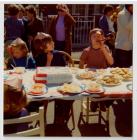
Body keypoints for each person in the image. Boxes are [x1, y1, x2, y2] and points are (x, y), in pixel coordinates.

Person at [33, 32, 74, 125]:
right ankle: (42, 118)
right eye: (49, 42)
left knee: (70, 96)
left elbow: (65, 70)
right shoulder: (39, 57)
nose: (53, 43)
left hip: (59, 83)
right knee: (43, 98)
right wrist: (48, 61)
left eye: (52, 41)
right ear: (41, 47)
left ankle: (61, 117)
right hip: (45, 85)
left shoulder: (58, 54)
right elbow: (41, 74)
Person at [79, 28, 114, 112]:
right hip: (91, 77)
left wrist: (102, 47)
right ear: (90, 39)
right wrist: (84, 73)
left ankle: (100, 101)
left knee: (110, 87)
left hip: (103, 76)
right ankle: (97, 101)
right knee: (93, 85)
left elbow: (111, 62)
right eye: (94, 37)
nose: (96, 39)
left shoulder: (105, 48)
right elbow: (80, 68)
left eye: (99, 37)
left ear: (102, 38)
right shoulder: (86, 51)